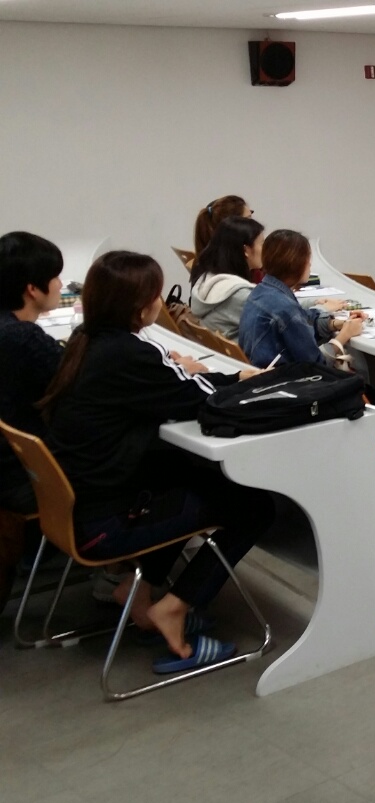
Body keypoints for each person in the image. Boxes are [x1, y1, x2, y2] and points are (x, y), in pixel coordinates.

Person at [39, 251, 275, 671]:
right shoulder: (126, 353)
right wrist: (238, 381)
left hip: (79, 506)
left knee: (184, 474)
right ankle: (175, 609)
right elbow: (196, 398)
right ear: (138, 306)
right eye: (156, 294)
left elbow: (170, 388)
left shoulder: (85, 340)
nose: (161, 301)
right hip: (105, 522)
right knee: (254, 506)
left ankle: (138, 591)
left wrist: (218, 376)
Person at [0, 232, 66, 601]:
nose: (60, 285)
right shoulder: (23, 339)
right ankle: (117, 575)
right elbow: (79, 386)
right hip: (24, 477)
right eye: (55, 277)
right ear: (32, 289)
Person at [238, 229, 365, 370]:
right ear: (295, 264)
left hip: (261, 373)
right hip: (284, 379)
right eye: (307, 260)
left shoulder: (260, 291)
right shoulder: (285, 308)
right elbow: (316, 364)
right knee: (361, 372)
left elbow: (303, 319)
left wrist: (334, 324)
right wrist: (344, 335)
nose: (310, 265)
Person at [189, 216, 263, 338]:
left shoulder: (208, 278)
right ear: (246, 250)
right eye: (262, 243)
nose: (265, 249)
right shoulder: (242, 295)